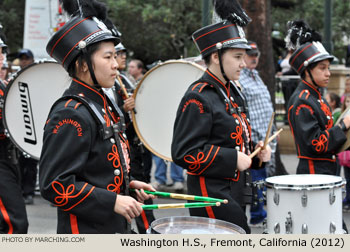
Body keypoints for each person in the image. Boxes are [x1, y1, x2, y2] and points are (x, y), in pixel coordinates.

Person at [39, 0, 155, 234]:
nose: (115, 66)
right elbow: (55, 185)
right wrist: (112, 201)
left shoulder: (102, 103)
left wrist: (128, 185)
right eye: (108, 57)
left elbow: (98, 170)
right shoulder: (70, 113)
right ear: (83, 64)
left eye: (115, 57)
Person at [171, 0, 271, 234]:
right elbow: (184, 153)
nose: (243, 64)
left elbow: (234, 143)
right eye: (237, 57)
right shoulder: (198, 97)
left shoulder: (232, 92)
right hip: (210, 198)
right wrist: (232, 158)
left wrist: (256, 155)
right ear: (216, 57)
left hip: (234, 192)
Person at [286, 20, 350, 175]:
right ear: (307, 71)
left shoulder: (316, 96)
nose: (328, 73)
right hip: (313, 174)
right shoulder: (302, 101)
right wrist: (343, 125)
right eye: (322, 68)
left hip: (326, 170)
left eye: (328, 68)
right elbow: (316, 144)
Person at [111, 43, 155, 234]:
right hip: (122, 149)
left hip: (135, 148)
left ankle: (148, 232)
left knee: (143, 195)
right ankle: (144, 231)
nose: (121, 57)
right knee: (136, 198)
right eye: (117, 53)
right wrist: (123, 109)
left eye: (122, 53)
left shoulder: (123, 81)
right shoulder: (108, 84)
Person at [239, 41, 276, 225]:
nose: (254, 58)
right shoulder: (239, 79)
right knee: (254, 179)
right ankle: (256, 215)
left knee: (260, 178)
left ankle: (257, 213)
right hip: (251, 138)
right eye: (250, 54)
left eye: (256, 54)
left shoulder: (256, 76)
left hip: (264, 137)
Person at [0, 24, 28, 234]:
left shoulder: (4, 86)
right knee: (15, 224)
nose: (1, 56)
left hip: (10, 158)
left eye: (2, 51)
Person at [16, 48, 38, 205]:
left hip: (34, 127)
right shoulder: (14, 77)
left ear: (31, 60)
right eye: (22, 59)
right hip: (18, 126)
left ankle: (29, 192)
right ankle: (19, 191)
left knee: (31, 164)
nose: (24, 61)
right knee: (18, 163)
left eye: (26, 58)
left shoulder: (38, 77)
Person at [337, 95, 350, 212]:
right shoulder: (344, 117)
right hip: (345, 156)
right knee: (347, 179)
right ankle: (348, 198)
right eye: (347, 101)